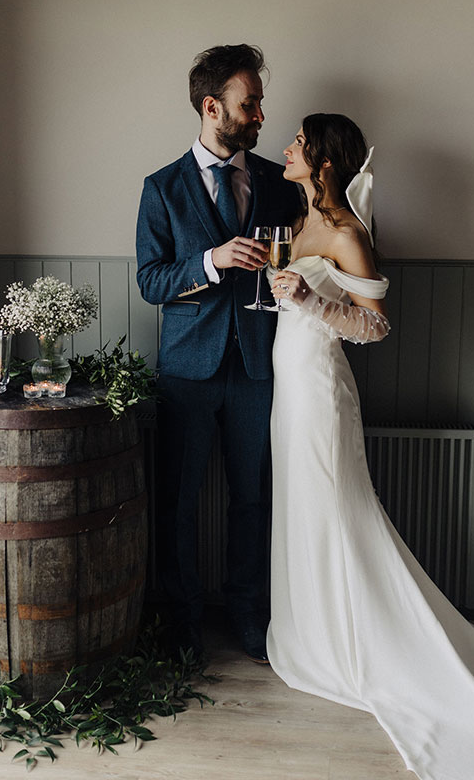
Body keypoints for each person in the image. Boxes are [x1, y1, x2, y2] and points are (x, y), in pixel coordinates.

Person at [266, 112, 474, 779]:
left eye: (299, 144)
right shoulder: (299, 222)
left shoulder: (347, 233)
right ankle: (312, 635)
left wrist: (309, 299)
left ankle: (363, 646)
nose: (287, 147)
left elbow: (374, 326)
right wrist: (288, 290)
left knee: (340, 513)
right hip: (289, 388)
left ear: (325, 162)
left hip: (320, 391)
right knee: (304, 512)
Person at [136, 44, 301, 662]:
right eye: (248, 103)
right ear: (213, 107)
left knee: (253, 496)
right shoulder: (161, 188)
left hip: (260, 366)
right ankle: (181, 622)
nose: (260, 113)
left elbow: (305, 251)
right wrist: (211, 260)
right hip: (187, 372)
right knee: (178, 502)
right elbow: (150, 282)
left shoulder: (275, 183)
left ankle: (250, 614)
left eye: (258, 102)